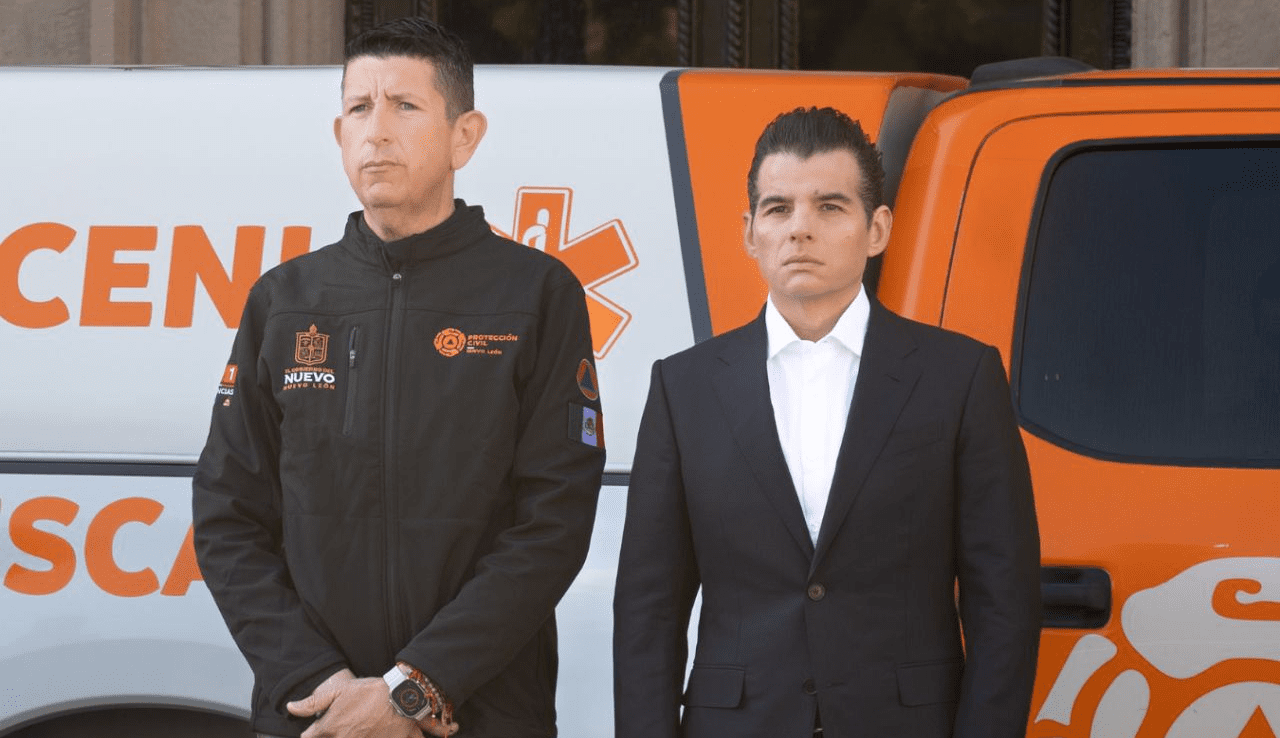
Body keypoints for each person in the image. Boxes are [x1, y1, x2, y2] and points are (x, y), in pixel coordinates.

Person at [193, 16, 606, 738]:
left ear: (464, 136)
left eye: (405, 106)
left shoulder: (536, 294)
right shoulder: (285, 300)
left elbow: (554, 522)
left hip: (477, 715)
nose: (376, 131)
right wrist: (317, 681)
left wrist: (417, 686)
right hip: (315, 717)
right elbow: (228, 516)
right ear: (338, 134)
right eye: (359, 108)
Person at [613, 106, 1040, 738]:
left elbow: (1003, 599)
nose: (799, 230)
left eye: (830, 207)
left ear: (877, 229)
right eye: (778, 208)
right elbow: (648, 608)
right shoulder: (684, 387)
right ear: (750, 232)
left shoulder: (960, 377)